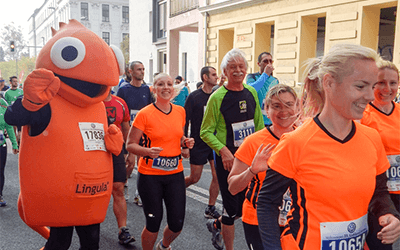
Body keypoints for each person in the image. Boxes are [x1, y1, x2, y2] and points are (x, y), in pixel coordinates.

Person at [256, 44, 400, 250]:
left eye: (372, 86)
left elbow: (379, 192)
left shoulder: (371, 138)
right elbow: (267, 203)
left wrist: (389, 214)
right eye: (360, 86)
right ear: (329, 83)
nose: (370, 95)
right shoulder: (295, 142)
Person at [200, 48, 264, 250]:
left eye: (241, 66)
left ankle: (216, 224)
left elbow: (259, 127)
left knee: (245, 205)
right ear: (224, 72)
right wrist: (223, 151)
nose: (238, 70)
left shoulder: (252, 92)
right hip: (228, 160)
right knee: (230, 208)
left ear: (246, 69)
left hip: (251, 159)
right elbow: (205, 131)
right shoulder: (217, 97)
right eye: (232, 67)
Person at [126, 73, 194, 250]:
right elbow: (130, 145)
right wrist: (147, 151)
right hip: (150, 176)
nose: (166, 88)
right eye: (161, 84)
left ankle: (163, 246)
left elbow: (176, 138)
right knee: (153, 222)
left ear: (174, 88)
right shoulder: (145, 114)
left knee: (177, 223)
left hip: (175, 174)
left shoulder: (180, 111)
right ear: (153, 89)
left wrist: (185, 143)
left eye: (169, 84)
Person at [227, 84, 299, 250]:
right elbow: (232, 188)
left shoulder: (305, 138)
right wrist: (252, 170)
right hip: (257, 220)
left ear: (298, 106)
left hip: (296, 219)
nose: (283, 111)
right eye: (276, 106)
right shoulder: (253, 142)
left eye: (289, 105)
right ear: (266, 109)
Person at [360, 60, 400, 250]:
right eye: (381, 83)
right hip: (378, 194)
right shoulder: (363, 115)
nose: (387, 88)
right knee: (382, 244)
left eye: (393, 83)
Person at [184, 66, 221, 220]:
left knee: (217, 175)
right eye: (213, 75)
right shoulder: (194, 97)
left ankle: (210, 207)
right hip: (198, 143)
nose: (216, 77)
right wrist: (184, 144)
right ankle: (173, 190)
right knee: (194, 178)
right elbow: (185, 121)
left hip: (214, 142)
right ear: (205, 77)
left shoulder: (218, 96)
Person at [117, 61, 154, 205]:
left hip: (144, 132)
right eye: (139, 69)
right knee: (130, 164)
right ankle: (124, 184)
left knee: (143, 164)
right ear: (130, 72)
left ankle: (139, 194)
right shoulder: (124, 89)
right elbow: (120, 111)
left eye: (143, 69)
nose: (142, 72)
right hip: (128, 131)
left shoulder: (146, 90)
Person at [103, 91, 135, 245]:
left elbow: (126, 128)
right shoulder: (88, 100)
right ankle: (87, 224)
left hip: (116, 151)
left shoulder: (120, 102)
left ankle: (123, 230)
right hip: (93, 151)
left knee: (118, 188)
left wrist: (130, 152)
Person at [246, 52, 279, 126]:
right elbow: (252, 90)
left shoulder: (275, 80)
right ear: (259, 64)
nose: (268, 63)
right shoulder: (252, 77)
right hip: (256, 119)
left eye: (271, 61)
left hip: (271, 119)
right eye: (265, 61)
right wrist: (265, 74)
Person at [0, 96, 19, 207]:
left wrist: (14, 143)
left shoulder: (3, 105)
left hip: (1, 144)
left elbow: (9, 127)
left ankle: (0, 195)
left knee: (0, 170)